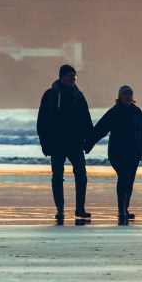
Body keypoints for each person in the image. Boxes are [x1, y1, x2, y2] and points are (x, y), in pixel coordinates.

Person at [36, 64, 93, 222]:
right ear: (61, 77)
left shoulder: (79, 96)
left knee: (81, 174)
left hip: (76, 143)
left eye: (74, 76)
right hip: (57, 143)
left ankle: (80, 208)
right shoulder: (50, 95)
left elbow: (86, 120)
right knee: (57, 175)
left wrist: (89, 141)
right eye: (69, 76)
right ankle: (60, 209)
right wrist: (44, 142)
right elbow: (42, 121)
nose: (73, 79)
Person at [87, 85, 142, 224]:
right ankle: (121, 209)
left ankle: (125, 209)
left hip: (134, 154)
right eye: (125, 94)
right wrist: (88, 143)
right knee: (124, 177)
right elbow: (100, 129)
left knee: (130, 181)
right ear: (119, 97)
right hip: (117, 153)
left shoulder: (137, 112)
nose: (128, 96)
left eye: (130, 94)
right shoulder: (114, 112)